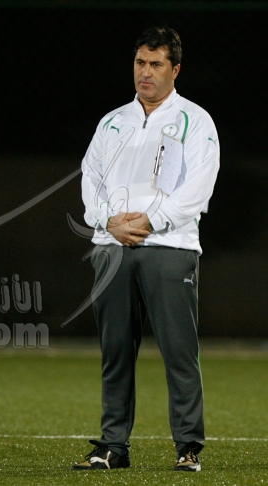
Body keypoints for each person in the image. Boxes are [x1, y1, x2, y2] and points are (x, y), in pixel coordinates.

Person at [73, 26, 220, 472]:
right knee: (115, 353)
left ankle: (188, 447)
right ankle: (112, 447)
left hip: (170, 248)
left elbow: (198, 188)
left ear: (175, 70)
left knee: (179, 352)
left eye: (156, 64)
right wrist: (107, 221)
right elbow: (90, 178)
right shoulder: (112, 122)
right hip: (112, 248)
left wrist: (151, 221)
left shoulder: (195, 120)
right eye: (140, 62)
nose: (146, 72)